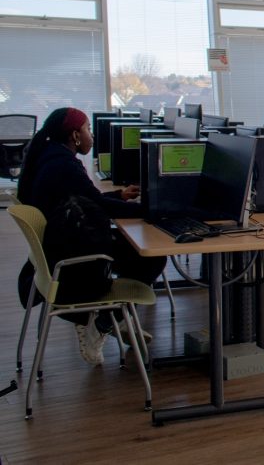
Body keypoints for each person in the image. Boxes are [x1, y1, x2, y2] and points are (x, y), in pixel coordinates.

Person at [16, 107, 167, 365]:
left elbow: (86, 199)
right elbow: (98, 205)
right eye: (88, 130)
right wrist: (152, 210)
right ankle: (104, 322)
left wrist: (118, 196)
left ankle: (116, 318)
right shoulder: (63, 165)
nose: (92, 136)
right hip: (73, 256)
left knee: (137, 251)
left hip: (61, 245)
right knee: (151, 258)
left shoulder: (52, 157)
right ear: (75, 135)